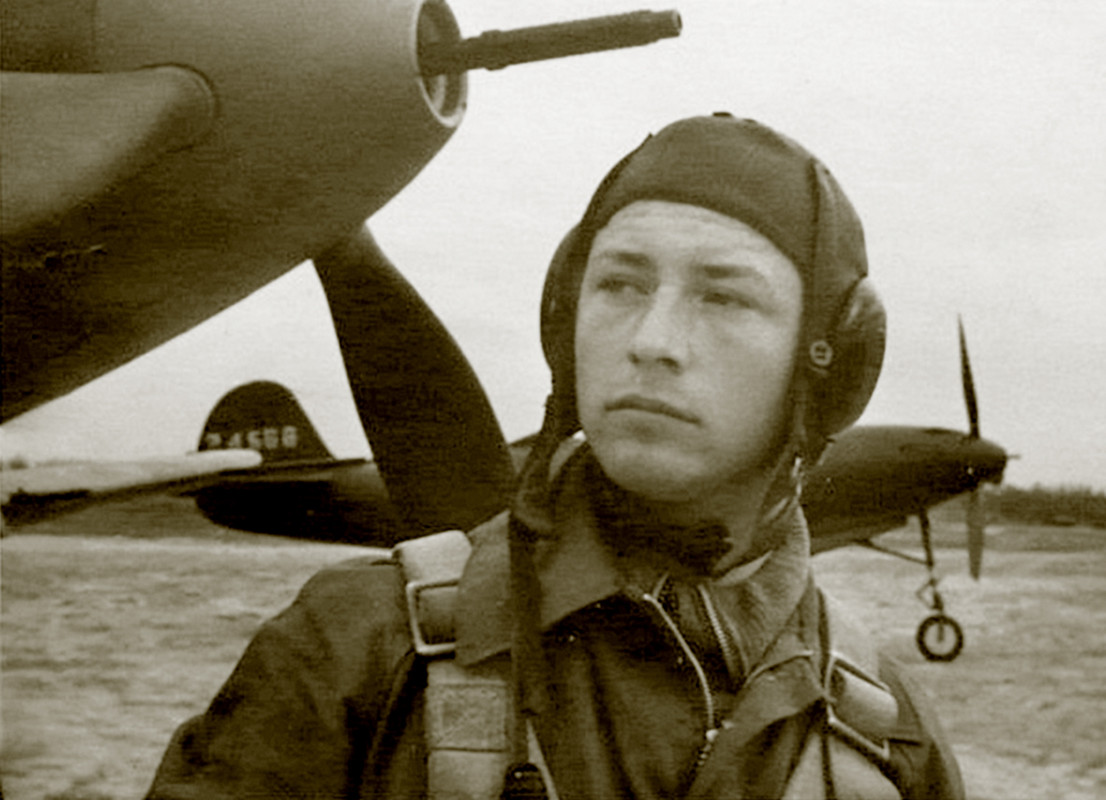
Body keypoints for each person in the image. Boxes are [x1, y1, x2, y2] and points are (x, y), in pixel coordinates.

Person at [147, 114, 963, 799]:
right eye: (619, 285)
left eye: (725, 297)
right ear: (561, 322)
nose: (652, 342)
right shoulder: (351, 652)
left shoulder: (890, 737)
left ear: (832, 363)